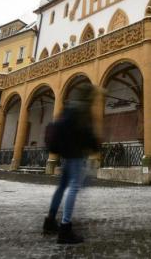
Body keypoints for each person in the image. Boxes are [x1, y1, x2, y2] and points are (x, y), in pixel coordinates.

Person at [42, 85, 100, 244]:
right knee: (74, 187)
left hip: (65, 154)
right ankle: (65, 228)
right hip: (75, 154)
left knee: (62, 187)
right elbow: (86, 134)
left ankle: (50, 221)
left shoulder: (70, 106)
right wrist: (95, 145)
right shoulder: (83, 110)